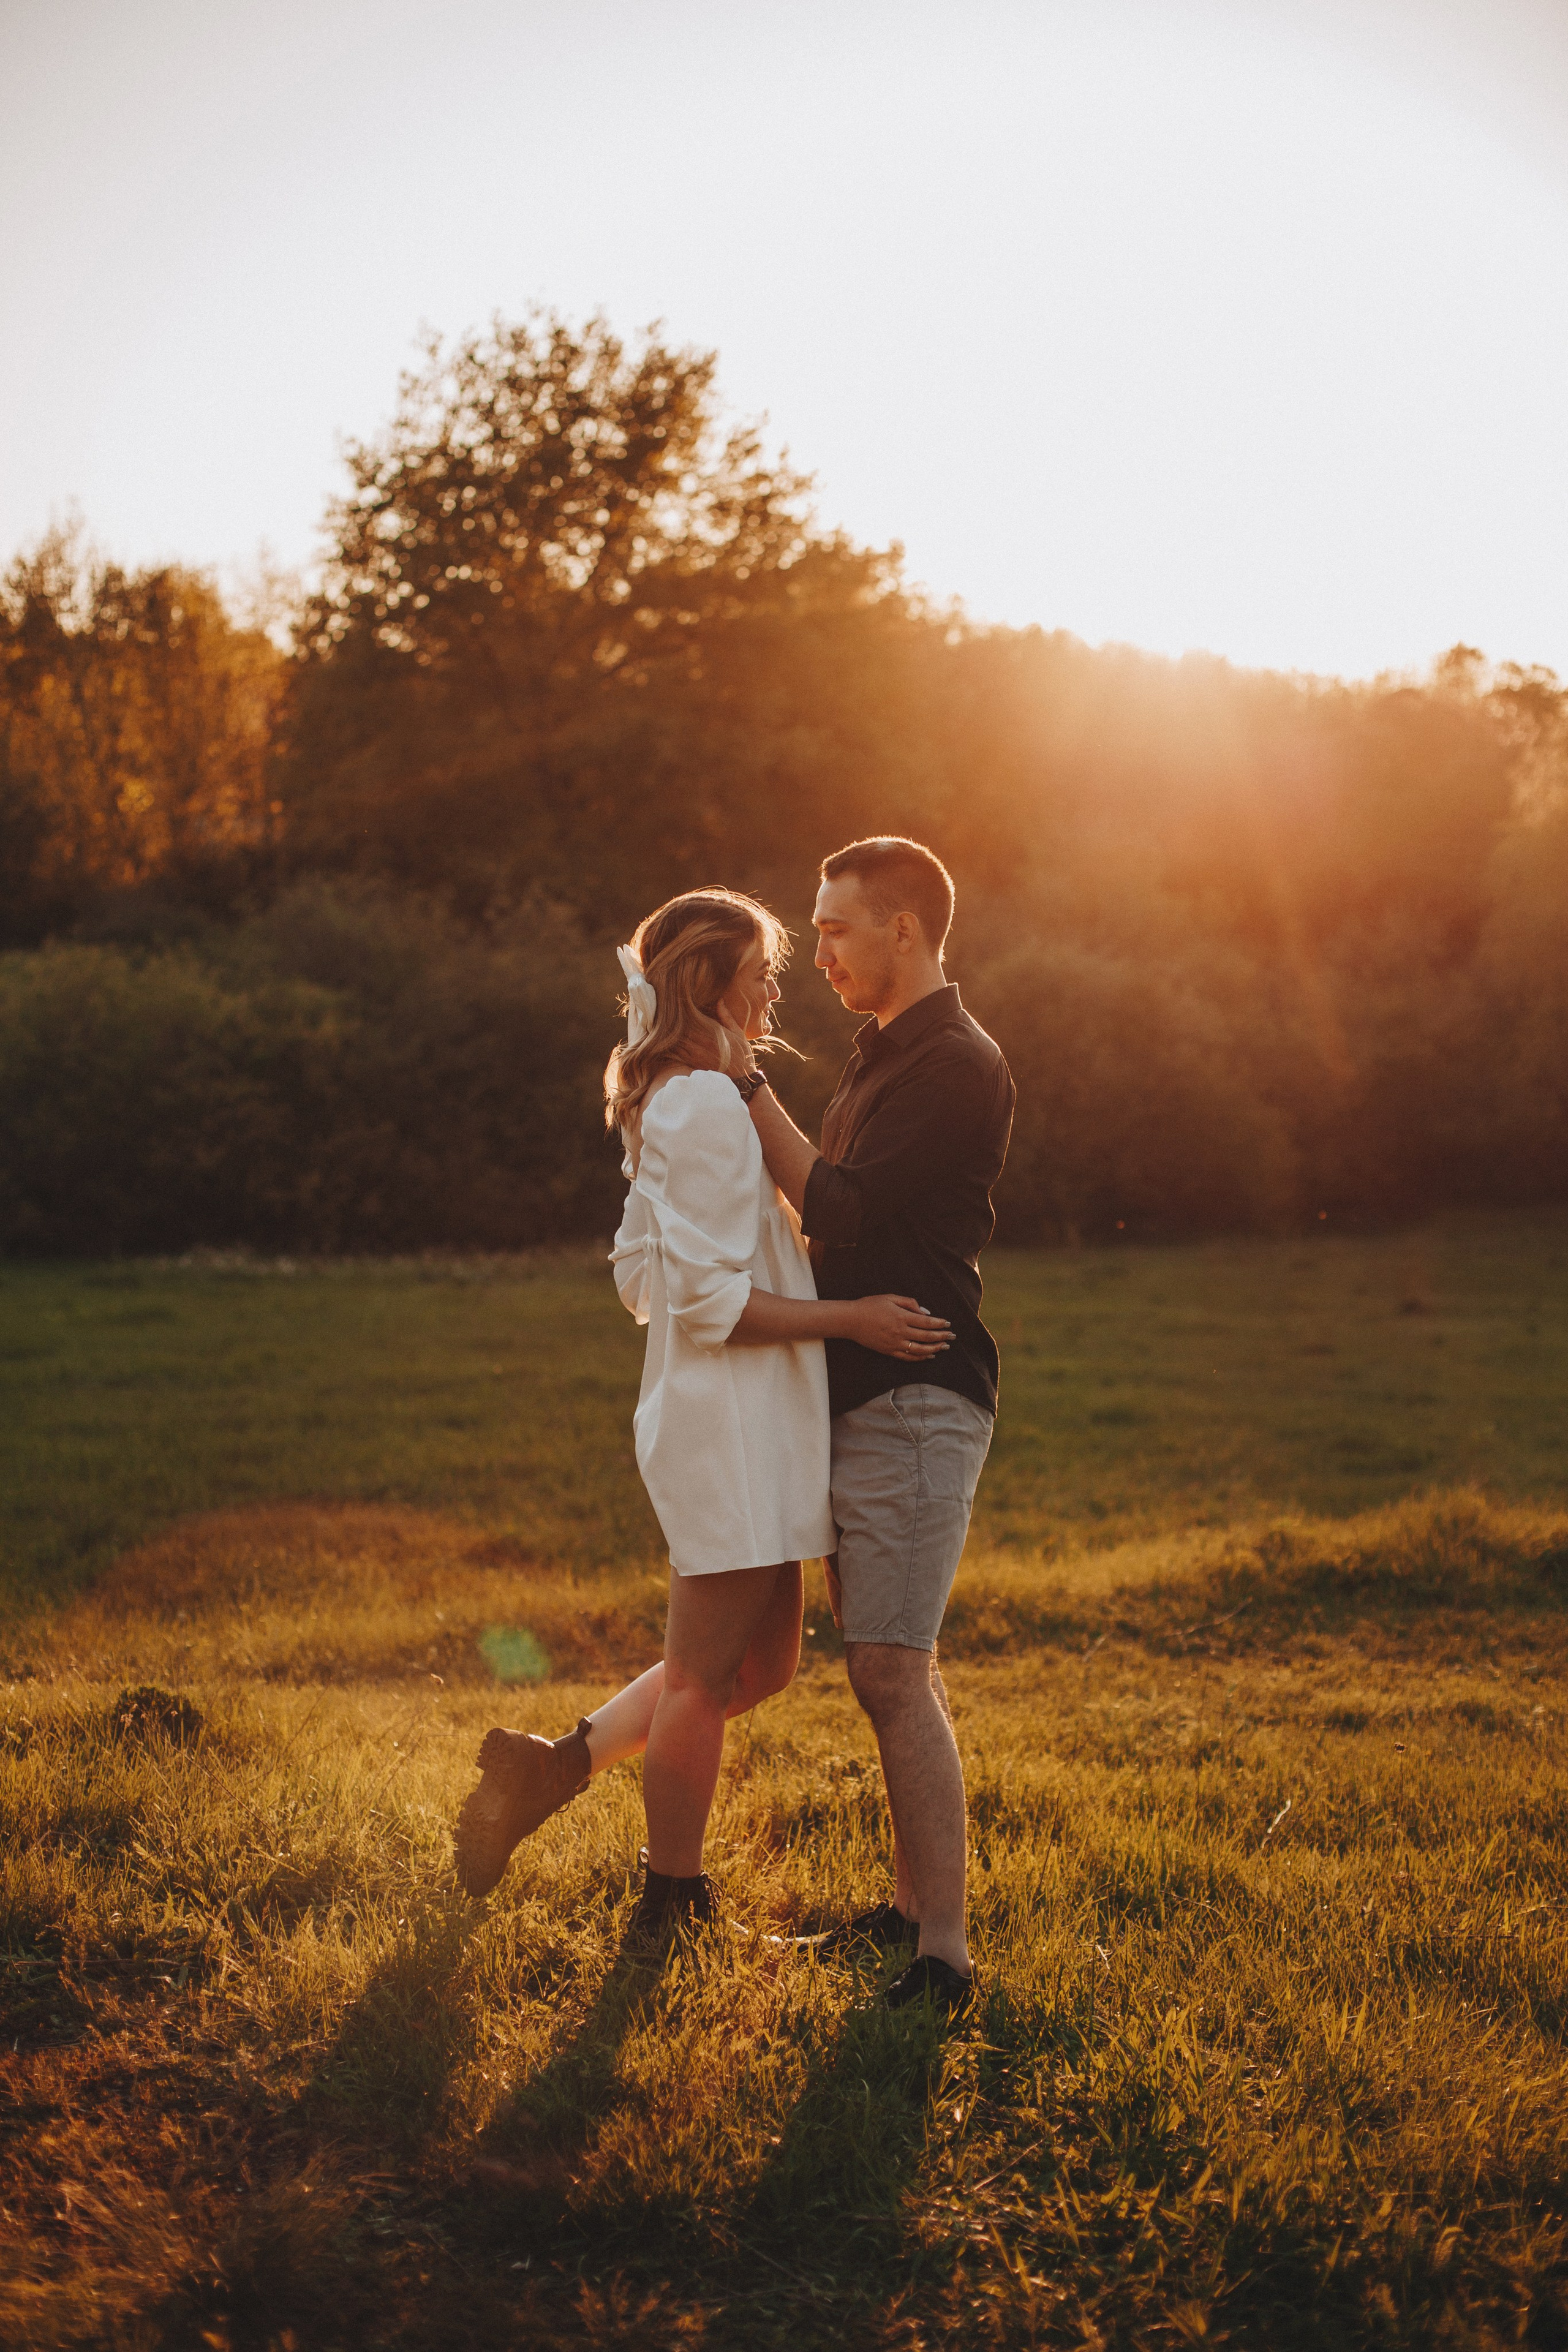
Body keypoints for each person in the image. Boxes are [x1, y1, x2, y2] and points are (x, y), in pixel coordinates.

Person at [452, 887, 951, 1940]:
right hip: (729, 1424)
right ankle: (669, 1905)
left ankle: (551, 1767)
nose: (777, 985)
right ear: (709, 981)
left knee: (762, 1667)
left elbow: (643, 1272)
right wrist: (853, 1316)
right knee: (698, 1677)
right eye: (762, 969)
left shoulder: (677, 1093)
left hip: (750, 1417)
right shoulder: (705, 1105)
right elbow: (712, 1306)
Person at [726, 837, 1014, 2019]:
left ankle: (941, 1956)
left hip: (915, 1396)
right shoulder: (877, 1060)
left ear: (906, 928)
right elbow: (828, 1225)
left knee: (896, 1669)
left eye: (837, 928)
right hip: (861, 1391)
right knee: (882, 1667)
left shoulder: (953, 1062)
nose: (820, 950)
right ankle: (908, 1911)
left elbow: (835, 1204)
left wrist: (745, 1085)